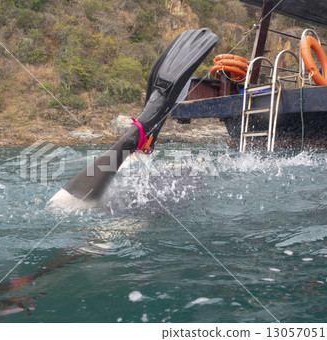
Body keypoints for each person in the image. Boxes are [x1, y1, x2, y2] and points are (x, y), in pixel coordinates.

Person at [48, 28, 218, 209]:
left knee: (63, 207)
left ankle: (137, 137)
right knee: (65, 207)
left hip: (108, 217)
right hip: (122, 216)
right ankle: (137, 137)